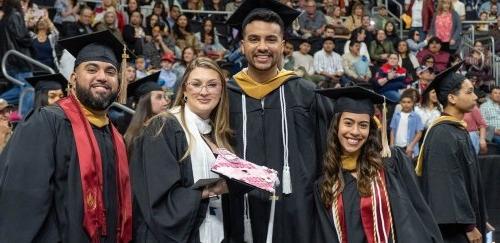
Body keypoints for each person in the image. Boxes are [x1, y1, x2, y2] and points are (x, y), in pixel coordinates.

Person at [0, 30, 132, 242]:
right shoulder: (46, 123)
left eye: (110, 71)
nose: (102, 77)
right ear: (73, 78)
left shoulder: (115, 137)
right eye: (91, 69)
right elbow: (21, 204)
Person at [224, 1, 333, 242]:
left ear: (283, 46)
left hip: (298, 212)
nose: (262, 47)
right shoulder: (225, 96)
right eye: (254, 39)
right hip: (241, 212)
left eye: (271, 40)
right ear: (242, 46)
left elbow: (329, 152)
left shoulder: (306, 93)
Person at [313, 86, 443, 243]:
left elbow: (417, 212)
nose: (355, 131)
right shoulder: (326, 184)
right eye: (348, 123)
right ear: (336, 127)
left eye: (363, 125)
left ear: (370, 130)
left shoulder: (390, 163)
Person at [130, 57, 233, 242]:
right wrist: (208, 191)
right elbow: (156, 200)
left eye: (212, 85)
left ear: (221, 91)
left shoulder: (219, 134)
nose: (204, 91)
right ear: (185, 89)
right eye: (196, 84)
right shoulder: (162, 128)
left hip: (215, 231)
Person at [416, 63, 488, 243]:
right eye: (469, 91)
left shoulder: (456, 130)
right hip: (453, 231)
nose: (475, 96)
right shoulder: (443, 134)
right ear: (452, 98)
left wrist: (480, 218)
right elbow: (447, 185)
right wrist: (469, 226)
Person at [124, 71, 169, 148]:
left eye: (164, 97)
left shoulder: (168, 127)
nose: (165, 102)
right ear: (145, 102)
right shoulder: (140, 137)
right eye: (159, 97)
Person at [390, 89, 424, 158]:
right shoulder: (396, 115)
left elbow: (419, 133)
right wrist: (391, 144)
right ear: (400, 102)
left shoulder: (416, 116)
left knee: (408, 166)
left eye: (409, 102)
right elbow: (392, 130)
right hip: (397, 146)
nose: (406, 104)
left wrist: (411, 146)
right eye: (404, 102)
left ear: (413, 103)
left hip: (408, 147)